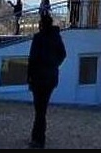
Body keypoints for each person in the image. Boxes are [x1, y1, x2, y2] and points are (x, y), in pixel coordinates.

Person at [27, 14, 67, 149]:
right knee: (41, 109)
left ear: (42, 25)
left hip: (39, 78)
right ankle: (37, 137)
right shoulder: (56, 37)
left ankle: (38, 139)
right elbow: (63, 54)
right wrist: (54, 65)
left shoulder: (39, 38)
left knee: (39, 109)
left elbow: (32, 59)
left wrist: (29, 77)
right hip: (50, 78)